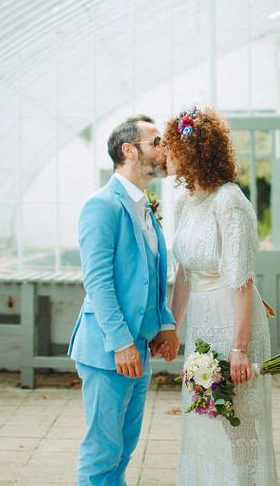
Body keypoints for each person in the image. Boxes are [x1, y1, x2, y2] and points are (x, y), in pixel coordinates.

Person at [163, 106, 278, 486]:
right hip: (200, 321)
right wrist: (172, 329)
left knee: (239, 422)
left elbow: (241, 281)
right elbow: (184, 275)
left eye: (173, 146)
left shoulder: (229, 201)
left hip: (232, 319)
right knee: (205, 416)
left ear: (194, 152)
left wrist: (239, 348)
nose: (166, 153)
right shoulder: (183, 203)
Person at [68, 114, 180, 486]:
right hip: (109, 350)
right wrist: (121, 343)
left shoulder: (145, 205)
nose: (165, 149)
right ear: (129, 151)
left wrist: (164, 324)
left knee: (125, 447)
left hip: (141, 348)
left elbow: (152, 275)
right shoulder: (101, 205)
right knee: (103, 449)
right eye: (157, 141)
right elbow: (98, 282)